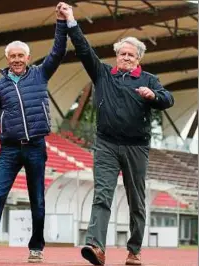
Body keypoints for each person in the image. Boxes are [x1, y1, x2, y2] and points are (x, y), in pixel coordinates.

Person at [59, 5, 174, 266]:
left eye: (130, 55)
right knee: (102, 195)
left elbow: (169, 99)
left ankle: (134, 251)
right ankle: (96, 247)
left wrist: (153, 95)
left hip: (137, 147)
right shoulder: (103, 74)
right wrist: (71, 21)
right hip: (106, 145)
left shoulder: (149, 79)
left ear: (138, 58)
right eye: (121, 53)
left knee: (136, 200)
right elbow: (84, 49)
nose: (125, 58)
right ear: (116, 56)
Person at [0, 2, 70, 263]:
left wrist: (62, 23)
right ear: (7, 59)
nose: (17, 59)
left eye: (21, 55)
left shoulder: (41, 74)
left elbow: (58, 50)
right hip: (9, 149)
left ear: (28, 58)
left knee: (38, 201)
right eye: (13, 56)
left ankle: (36, 247)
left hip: (35, 147)